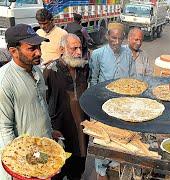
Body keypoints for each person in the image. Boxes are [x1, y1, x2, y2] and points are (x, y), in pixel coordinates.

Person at [0, 24, 53, 179]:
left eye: (39, 46)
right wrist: (21, 171)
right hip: (23, 160)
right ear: (13, 51)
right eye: (32, 49)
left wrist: (48, 130)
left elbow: (39, 106)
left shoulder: (36, 70)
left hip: (40, 150)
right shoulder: (4, 82)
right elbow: (4, 130)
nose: (39, 52)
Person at [90, 22, 134, 180]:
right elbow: (93, 80)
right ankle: (101, 171)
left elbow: (132, 78)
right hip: (102, 103)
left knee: (119, 136)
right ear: (107, 36)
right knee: (103, 138)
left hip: (121, 105)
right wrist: (94, 107)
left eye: (119, 38)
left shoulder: (128, 54)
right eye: (113, 38)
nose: (116, 42)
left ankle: (115, 162)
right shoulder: (98, 54)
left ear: (124, 39)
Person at [43, 33, 89, 180]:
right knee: (57, 168)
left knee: (77, 168)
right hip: (60, 129)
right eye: (74, 48)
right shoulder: (51, 70)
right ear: (62, 49)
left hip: (81, 128)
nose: (78, 52)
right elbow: (43, 101)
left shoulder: (84, 67)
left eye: (80, 48)